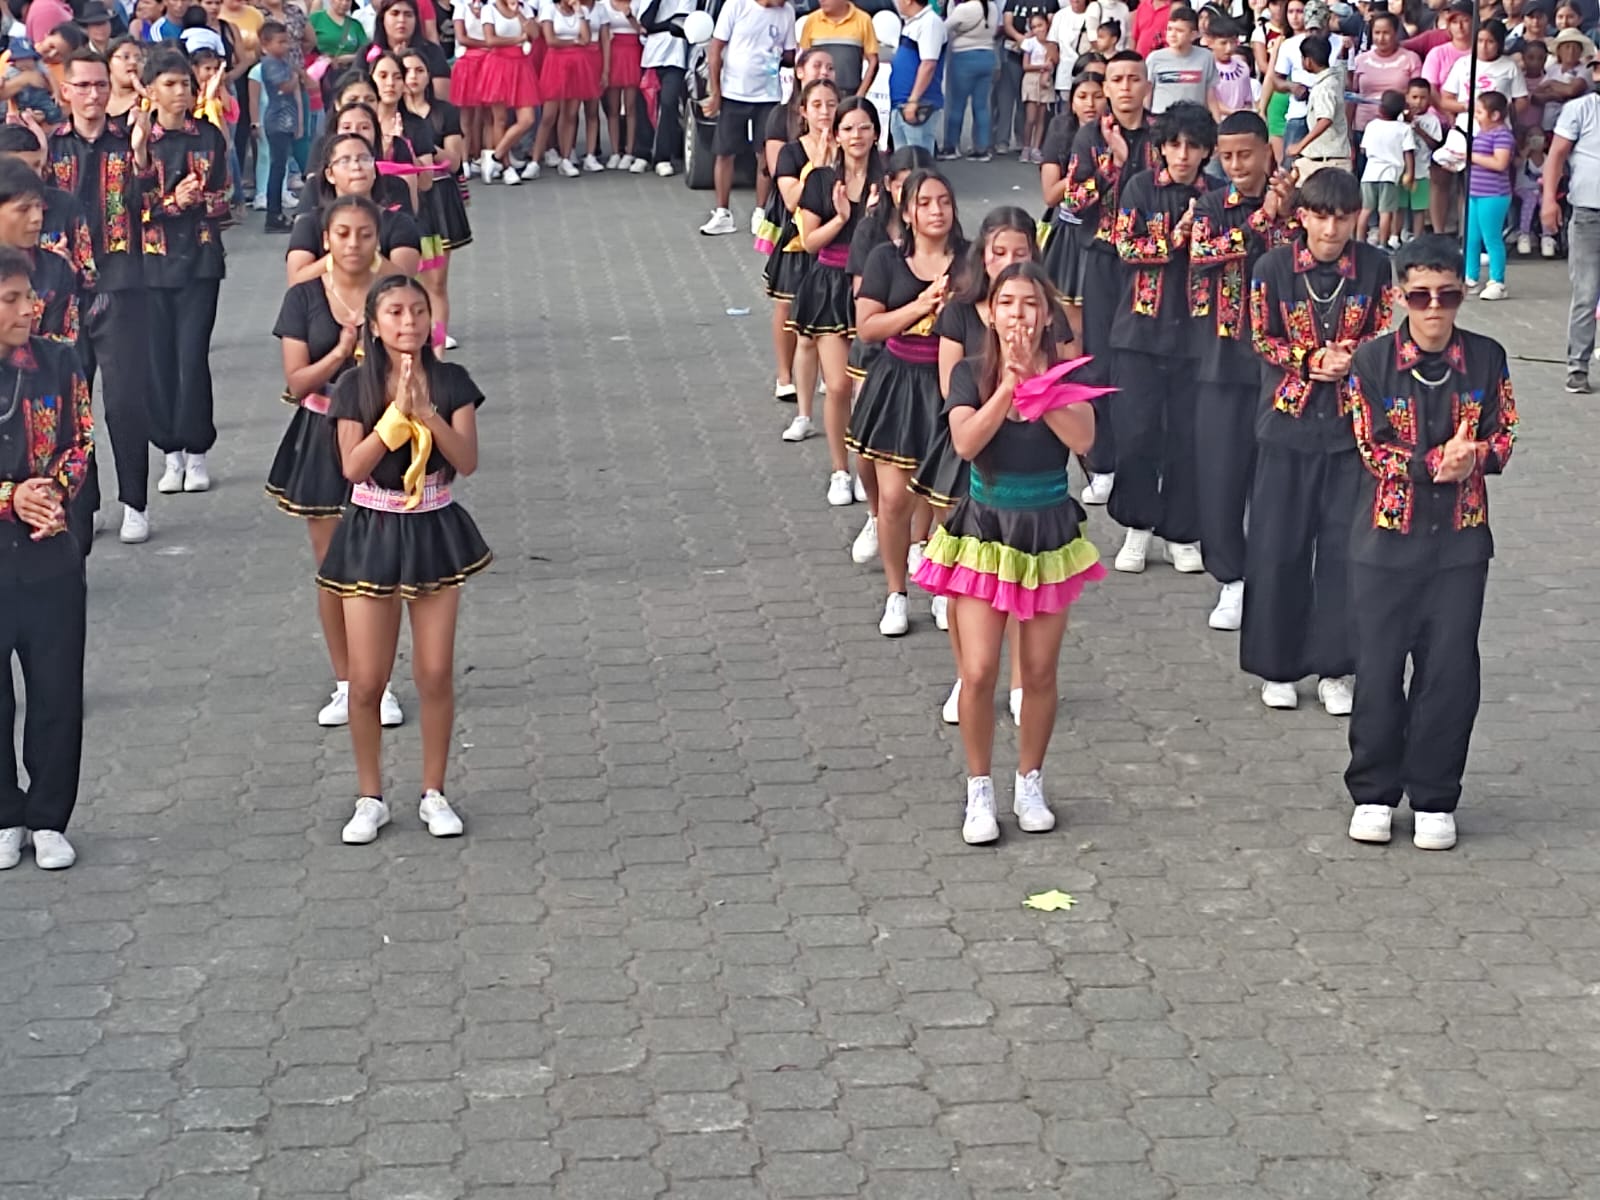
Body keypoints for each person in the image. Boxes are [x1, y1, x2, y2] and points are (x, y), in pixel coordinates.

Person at [910, 261, 1103, 845]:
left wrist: (1039, 386)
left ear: (1046, 316)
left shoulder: (1064, 373)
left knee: (1039, 672)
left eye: (1031, 304)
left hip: (1047, 532)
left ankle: (1030, 781)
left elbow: (1084, 439)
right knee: (977, 670)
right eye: (1008, 303)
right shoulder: (970, 372)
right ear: (990, 314)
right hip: (984, 531)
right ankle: (979, 789)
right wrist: (1008, 387)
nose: (1019, 314)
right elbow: (967, 442)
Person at [1344, 234, 1518, 851]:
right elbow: (1370, 445)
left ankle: (1436, 794)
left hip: (1461, 543)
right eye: (1420, 296)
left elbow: (1505, 431)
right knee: (1379, 667)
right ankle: (1373, 791)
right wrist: (1431, 464)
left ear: (1462, 294)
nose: (1435, 308)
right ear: (1399, 297)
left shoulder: (1488, 357)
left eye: (1447, 295)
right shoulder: (1371, 361)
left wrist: (1478, 457)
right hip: (1385, 540)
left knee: (1449, 670)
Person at [319, 273, 489, 845]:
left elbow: (466, 460)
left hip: (433, 526)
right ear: (373, 324)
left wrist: (427, 413)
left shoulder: (453, 381)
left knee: (435, 672)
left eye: (417, 311)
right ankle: (370, 797)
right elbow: (352, 467)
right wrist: (393, 422)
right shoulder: (353, 386)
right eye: (394, 312)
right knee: (367, 681)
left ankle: (433, 792)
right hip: (372, 528)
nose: (408, 322)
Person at [1245, 167, 1397, 715]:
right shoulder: (1272, 267)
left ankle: (1337, 667)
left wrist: (1352, 358)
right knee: (1277, 546)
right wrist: (1310, 359)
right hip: (1286, 423)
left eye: (1342, 218)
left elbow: (1384, 328)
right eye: (1321, 217)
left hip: (1352, 429)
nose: (1331, 230)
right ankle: (1277, 666)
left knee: (1343, 550)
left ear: (1357, 217)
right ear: (1302, 216)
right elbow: (1260, 335)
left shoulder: (1375, 266)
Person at [270, 195, 405, 729]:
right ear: (326, 239)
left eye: (365, 234)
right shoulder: (304, 296)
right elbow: (297, 380)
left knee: (382, 562)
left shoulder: (395, 290)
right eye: (343, 234)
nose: (353, 244)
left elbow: (420, 362)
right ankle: (347, 682)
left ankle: (381, 684)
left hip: (384, 434)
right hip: (321, 432)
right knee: (333, 565)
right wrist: (341, 351)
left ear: (377, 239)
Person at [917, 207, 1038, 726]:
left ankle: (1021, 681)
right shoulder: (962, 311)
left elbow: (1064, 381)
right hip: (969, 448)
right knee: (968, 578)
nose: (1008, 262)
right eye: (998, 252)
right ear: (982, 255)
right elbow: (953, 389)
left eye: (1019, 252)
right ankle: (968, 676)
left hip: (1027, 460)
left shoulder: (1044, 315)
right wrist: (1000, 394)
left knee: (1023, 575)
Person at [0, 244, 93, 872]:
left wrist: (53, 492)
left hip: (50, 553)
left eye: (28, 296)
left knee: (57, 690)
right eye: (10, 299)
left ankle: (50, 816)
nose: (27, 309)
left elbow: (81, 439)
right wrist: (11, 497)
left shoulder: (59, 360)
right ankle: (6, 813)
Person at [1186, 111, 1295, 632]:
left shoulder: (1296, 203)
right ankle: (1231, 576)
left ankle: (1275, 577)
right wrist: (1259, 220)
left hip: (1285, 364)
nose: (1235, 165)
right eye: (1226, 156)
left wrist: (1283, 213)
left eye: (1245, 154)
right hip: (1223, 360)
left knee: (1276, 480)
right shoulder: (1212, 204)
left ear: (1266, 152)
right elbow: (1203, 252)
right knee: (1221, 474)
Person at [847, 167, 962, 637]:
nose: (937, 211)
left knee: (949, 501)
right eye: (925, 203)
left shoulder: (970, 259)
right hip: (898, 383)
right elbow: (867, 326)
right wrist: (921, 305)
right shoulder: (886, 258)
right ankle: (897, 593)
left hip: (952, 383)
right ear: (908, 212)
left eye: (944, 202)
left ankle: (942, 588)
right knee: (894, 500)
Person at [48, 46, 154, 546]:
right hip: (64, 293)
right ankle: (83, 503)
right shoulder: (52, 148)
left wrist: (142, 154)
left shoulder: (127, 141)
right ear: (65, 91)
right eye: (83, 85)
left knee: (126, 399)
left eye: (100, 85)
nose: (93, 95)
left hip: (121, 284)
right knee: (74, 404)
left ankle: (135, 501)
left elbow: (151, 204)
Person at [1106, 100, 1212, 575]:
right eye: (1175, 144)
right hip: (1139, 331)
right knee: (1136, 433)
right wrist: (1174, 239)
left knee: (1188, 438)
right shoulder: (1140, 187)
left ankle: (1181, 531)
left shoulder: (1217, 196)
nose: (1183, 155)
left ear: (1207, 151)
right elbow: (1125, 246)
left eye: (1193, 146)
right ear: (1161, 148)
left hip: (1197, 334)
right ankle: (1138, 525)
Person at [1063, 50, 1157, 507]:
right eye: (1116, 80)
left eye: (1133, 79)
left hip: (1152, 264)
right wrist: (1112, 164)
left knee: (1144, 358)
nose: (1125, 88)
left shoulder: (1161, 136)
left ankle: (1144, 460)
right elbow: (1073, 200)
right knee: (1099, 357)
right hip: (1103, 258)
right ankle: (1102, 462)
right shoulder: (1090, 136)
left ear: (1146, 86)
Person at [139, 48, 228, 499]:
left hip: (200, 260)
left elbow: (226, 197)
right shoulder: (138, 139)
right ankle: (169, 451)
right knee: (158, 359)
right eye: (170, 84)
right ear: (150, 90)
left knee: (192, 357)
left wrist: (199, 200)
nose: (180, 92)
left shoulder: (208, 136)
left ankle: (197, 450)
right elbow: (125, 206)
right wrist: (173, 202)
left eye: (185, 85)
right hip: (150, 264)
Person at [790, 96, 879, 505]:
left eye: (864, 127)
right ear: (836, 135)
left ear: (876, 133)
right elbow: (809, 242)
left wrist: (876, 218)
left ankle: (866, 467)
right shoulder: (821, 180)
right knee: (840, 384)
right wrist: (842, 218)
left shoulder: (887, 180)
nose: (856, 135)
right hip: (829, 284)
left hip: (875, 286)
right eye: (848, 128)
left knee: (868, 386)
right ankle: (840, 470)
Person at [769, 75, 838, 442]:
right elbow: (792, 198)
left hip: (839, 249)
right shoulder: (792, 153)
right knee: (803, 329)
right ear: (803, 111)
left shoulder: (848, 146)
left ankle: (834, 386)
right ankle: (802, 409)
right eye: (817, 105)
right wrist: (819, 163)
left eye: (831, 105)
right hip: (801, 246)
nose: (825, 112)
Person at [697, 0, 797, 236]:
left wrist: (784, 58)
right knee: (724, 152)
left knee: (765, 154)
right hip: (734, 93)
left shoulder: (787, 12)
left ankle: (760, 212)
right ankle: (722, 213)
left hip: (769, 95)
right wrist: (716, 93)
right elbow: (715, 49)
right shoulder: (736, 5)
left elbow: (790, 54)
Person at [401, 47, 471, 347]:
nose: (412, 77)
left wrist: (427, 146)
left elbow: (454, 161)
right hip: (406, 199)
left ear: (429, 76)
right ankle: (412, 331)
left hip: (440, 199)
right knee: (409, 274)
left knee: (437, 280)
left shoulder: (445, 112)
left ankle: (439, 337)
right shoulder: (392, 116)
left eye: (419, 71)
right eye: (406, 72)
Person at [286, 129, 424, 280]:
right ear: (330, 175)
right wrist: (338, 257)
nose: (356, 166)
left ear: (374, 170)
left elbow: (406, 280)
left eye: (364, 159)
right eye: (345, 161)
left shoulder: (399, 223)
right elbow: (296, 280)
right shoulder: (309, 223)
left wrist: (373, 259)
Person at [1543, 51, 1600, 392]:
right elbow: (1556, 155)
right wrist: (1549, 199)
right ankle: (1577, 365)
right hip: (1589, 213)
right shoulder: (1580, 108)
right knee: (1586, 292)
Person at [1040, 70, 1106, 347]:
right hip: (1069, 235)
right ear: (1072, 102)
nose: (1090, 103)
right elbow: (1050, 195)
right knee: (1072, 322)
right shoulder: (1061, 133)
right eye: (1082, 96)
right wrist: (1085, 173)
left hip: (1104, 234)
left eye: (1097, 96)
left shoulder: (1115, 136)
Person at [1465, 90, 1516, 298]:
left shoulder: (1503, 135)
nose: (1476, 116)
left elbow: (1500, 163)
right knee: (1471, 238)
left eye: (1479, 112)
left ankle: (1497, 281)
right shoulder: (1482, 134)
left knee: (1492, 238)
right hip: (1475, 193)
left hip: (1494, 194)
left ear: (1495, 115)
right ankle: (1471, 277)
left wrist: (1471, 157)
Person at [259, 20, 304, 232]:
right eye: (281, 42)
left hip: (286, 120)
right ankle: (273, 214)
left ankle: (276, 213)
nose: (285, 46)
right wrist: (296, 76)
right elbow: (285, 87)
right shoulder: (270, 63)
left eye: (286, 41)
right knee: (277, 168)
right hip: (277, 120)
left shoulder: (282, 62)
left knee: (280, 167)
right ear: (266, 44)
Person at [940, 0, 999, 161]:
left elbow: (944, 27)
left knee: (957, 105)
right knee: (981, 106)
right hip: (987, 56)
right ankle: (982, 148)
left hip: (964, 57)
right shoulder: (992, 7)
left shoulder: (963, 9)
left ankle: (951, 147)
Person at [887, 0, 946, 156]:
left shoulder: (930, 22)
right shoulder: (912, 23)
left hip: (919, 103)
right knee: (903, 158)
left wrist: (913, 100)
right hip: (900, 103)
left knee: (918, 158)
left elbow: (928, 64)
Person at [1359, 89, 1416, 247]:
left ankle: (1359, 241)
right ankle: (1383, 244)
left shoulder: (1372, 126)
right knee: (1385, 212)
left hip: (1369, 174)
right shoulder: (1404, 129)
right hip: (1390, 176)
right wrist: (1410, 173)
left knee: (1365, 210)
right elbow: (1408, 153)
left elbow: (1363, 149)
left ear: (1380, 108)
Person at [1288, 33, 1351, 172]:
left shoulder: (1324, 88)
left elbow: (1325, 119)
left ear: (1308, 61)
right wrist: (1344, 53)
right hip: (1332, 157)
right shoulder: (1336, 77)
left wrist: (1300, 145)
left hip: (1327, 160)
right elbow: (1341, 65)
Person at [1350, 11, 1421, 135]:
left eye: (1386, 33)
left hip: (1398, 128)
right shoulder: (1360, 60)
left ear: (1396, 33)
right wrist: (1348, 131)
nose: (1381, 38)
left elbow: (1417, 95)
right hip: (1363, 127)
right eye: (1377, 33)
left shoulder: (1411, 59)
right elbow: (1351, 97)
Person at [595, 0, 645, 170]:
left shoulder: (638, 3)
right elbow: (601, 31)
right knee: (613, 108)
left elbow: (643, 30)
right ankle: (615, 151)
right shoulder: (604, 5)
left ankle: (630, 151)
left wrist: (630, 15)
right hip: (613, 53)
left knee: (631, 107)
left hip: (633, 52)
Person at [1146, 6, 1222, 115]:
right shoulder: (1154, 58)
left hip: (1195, 120)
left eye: (1179, 31)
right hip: (1162, 120)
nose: (1172, 35)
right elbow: (1147, 95)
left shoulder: (1206, 57)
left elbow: (1210, 96)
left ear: (1193, 35)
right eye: (1170, 29)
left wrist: (1217, 122)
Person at [797, 0, 877, 98]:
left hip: (849, 95)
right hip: (818, 94)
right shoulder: (812, 20)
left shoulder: (863, 20)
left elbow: (873, 61)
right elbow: (803, 60)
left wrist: (860, 94)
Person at [1402, 76, 1442, 237]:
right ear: (1406, 97)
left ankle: (1417, 238)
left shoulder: (1432, 120)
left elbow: (1435, 145)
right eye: (1414, 97)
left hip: (1422, 172)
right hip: (1401, 171)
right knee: (1399, 206)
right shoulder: (1399, 118)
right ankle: (1397, 235)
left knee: (1419, 208)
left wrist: (1419, 130)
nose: (1418, 102)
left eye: (1423, 98)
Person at [1016, 13, 1056, 163]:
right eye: (1034, 27)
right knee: (1030, 118)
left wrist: (1048, 68)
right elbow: (1025, 66)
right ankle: (1026, 147)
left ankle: (1036, 148)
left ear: (1047, 25)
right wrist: (1042, 66)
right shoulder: (1030, 43)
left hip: (1046, 79)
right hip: (1031, 79)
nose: (1038, 29)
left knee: (1041, 118)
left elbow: (1054, 60)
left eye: (1040, 25)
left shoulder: (1052, 43)